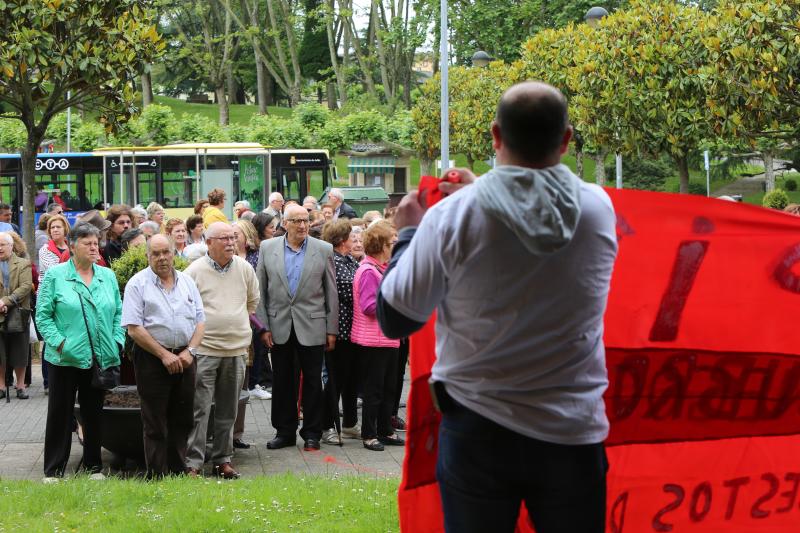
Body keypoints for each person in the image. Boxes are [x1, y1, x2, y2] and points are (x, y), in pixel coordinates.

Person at [377, 81, 617, 532]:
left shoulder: (452, 216)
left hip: (478, 430)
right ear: (566, 139)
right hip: (573, 430)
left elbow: (396, 318)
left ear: (495, 135)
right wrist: (484, 188)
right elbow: (531, 197)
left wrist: (409, 232)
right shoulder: (598, 209)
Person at [38, 222, 124, 481]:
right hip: (64, 359)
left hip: (99, 356)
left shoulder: (106, 276)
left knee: (94, 413)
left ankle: (93, 467)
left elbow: (119, 312)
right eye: (87, 243)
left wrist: (117, 341)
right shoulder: (56, 275)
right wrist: (60, 343)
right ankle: (53, 470)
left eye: (96, 243)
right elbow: (42, 317)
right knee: (60, 415)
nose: (94, 248)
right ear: (73, 246)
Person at [255, 204, 338, 452]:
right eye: (297, 221)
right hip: (279, 325)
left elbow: (331, 292)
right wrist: (263, 327)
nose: (303, 225)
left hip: (313, 325)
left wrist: (331, 329)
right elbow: (261, 291)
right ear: (285, 223)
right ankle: (284, 432)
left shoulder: (323, 250)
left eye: (306, 220)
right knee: (282, 382)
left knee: (313, 381)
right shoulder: (267, 248)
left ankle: (312, 433)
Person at [122, 234, 205, 478]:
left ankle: (178, 472)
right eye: (155, 254)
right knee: (155, 420)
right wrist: (163, 355)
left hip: (186, 357)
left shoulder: (188, 282)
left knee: (183, 418)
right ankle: (157, 475)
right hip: (152, 359)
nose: (161, 258)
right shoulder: (137, 284)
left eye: (165, 252)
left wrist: (190, 351)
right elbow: (134, 328)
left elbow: (200, 321)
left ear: (173, 253)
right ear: (148, 256)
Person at [183, 222, 260, 479]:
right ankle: (193, 462)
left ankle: (222, 460)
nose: (231, 242)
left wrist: (235, 321)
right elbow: (186, 309)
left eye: (233, 237)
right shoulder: (194, 271)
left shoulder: (244, 268)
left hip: (236, 348)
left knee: (229, 409)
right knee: (200, 409)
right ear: (208, 243)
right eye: (224, 238)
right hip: (205, 349)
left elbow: (252, 301)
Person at [349, 221, 402, 451]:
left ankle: (385, 431)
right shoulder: (369, 270)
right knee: (374, 390)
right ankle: (369, 434)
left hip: (388, 338)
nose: (396, 245)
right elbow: (370, 306)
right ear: (380, 245)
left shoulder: (383, 267)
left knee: (389, 388)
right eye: (392, 242)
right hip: (373, 341)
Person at [320, 220, 361, 444]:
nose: (355, 240)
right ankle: (328, 426)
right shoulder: (333, 260)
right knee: (335, 380)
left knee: (351, 379)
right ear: (341, 240)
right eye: (351, 237)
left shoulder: (348, 259)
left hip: (353, 330)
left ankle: (350, 423)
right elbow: (348, 291)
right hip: (340, 330)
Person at [0, 232, 32, 400]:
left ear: (11, 246)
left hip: (18, 313)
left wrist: (6, 301)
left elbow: (26, 286)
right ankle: (1, 386)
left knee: (20, 351)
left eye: (2, 245)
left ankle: (20, 386)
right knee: (0, 351)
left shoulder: (23, 263)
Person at [38, 215, 71, 283]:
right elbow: (54, 270)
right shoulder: (45, 249)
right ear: (49, 231)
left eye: (58, 227)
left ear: (64, 229)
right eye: (52, 228)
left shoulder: (72, 248)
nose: (55, 230)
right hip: (49, 290)